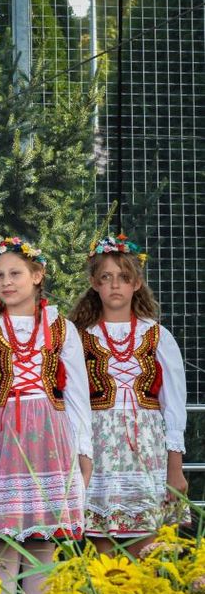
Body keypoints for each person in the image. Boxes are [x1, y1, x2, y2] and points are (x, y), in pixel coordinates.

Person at [0, 236, 92, 594]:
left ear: (38, 275)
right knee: (2, 545)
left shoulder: (61, 329)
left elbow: (76, 398)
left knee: (43, 544)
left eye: (15, 273)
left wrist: (83, 455)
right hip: (1, 444)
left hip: (51, 442)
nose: (6, 282)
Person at [69, 233, 187, 554]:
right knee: (101, 547)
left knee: (148, 545)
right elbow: (72, 402)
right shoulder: (79, 338)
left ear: (136, 283)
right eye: (106, 277)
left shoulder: (157, 335)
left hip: (147, 450)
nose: (115, 285)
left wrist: (175, 470)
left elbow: (173, 406)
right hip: (98, 450)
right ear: (94, 283)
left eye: (124, 277)